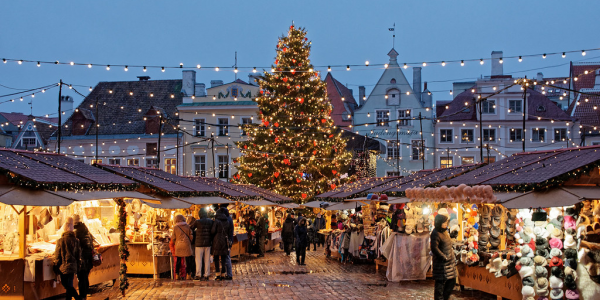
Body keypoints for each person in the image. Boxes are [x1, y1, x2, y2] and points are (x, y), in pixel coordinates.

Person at [54, 217, 82, 300]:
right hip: (73, 266)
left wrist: (55, 265)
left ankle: (77, 298)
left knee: (67, 285)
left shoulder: (60, 241)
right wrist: (78, 266)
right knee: (69, 285)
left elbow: (57, 255)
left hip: (63, 266)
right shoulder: (76, 240)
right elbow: (78, 255)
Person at [431, 213, 456, 300]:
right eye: (444, 223)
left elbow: (447, 243)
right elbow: (434, 248)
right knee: (440, 285)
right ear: (439, 223)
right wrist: (443, 257)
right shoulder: (435, 233)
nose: (446, 224)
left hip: (449, 262)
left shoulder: (445, 231)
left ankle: (444, 298)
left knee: (452, 281)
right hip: (441, 264)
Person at [73, 215, 94, 300]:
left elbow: (76, 246)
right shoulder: (86, 230)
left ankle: (82, 296)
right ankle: (84, 294)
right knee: (85, 277)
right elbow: (91, 241)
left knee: (81, 278)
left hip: (82, 259)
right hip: (88, 258)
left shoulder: (77, 232)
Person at [190, 208, 213, 280]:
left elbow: (191, 228)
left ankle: (198, 274)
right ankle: (206, 274)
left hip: (199, 243)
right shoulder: (210, 221)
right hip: (208, 242)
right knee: (207, 260)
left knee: (198, 260)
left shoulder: (197, 222)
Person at [212, 207, 232, 280]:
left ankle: (218, 275)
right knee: (223, 258)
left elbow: (213, 231)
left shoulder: (216, 221)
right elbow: (229, 231)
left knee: (216, 258)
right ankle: (223, 273)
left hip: (216, 241)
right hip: (224, 240)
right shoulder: (227, 221)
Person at [172, 214, 194, 280]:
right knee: (188, 260)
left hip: (178, 245)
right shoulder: (187, 226)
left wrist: (176, 242)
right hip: (186, 244)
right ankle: (188, 274)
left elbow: (173, 238)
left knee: (178, 260)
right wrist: (189, 241)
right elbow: (191, 235)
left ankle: (177, 275)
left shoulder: (175, 228)